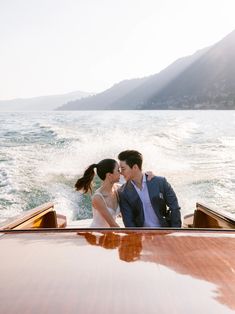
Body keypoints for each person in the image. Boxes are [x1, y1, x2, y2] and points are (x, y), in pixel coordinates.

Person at [118, 150, 181, 227]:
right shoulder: (123, 192)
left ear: (135, 167)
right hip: (142, 235)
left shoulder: (160, 182)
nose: (121, 172)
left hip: (164, 231)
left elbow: (174, 207)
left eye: (123, 169)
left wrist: (175, 232)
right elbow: (129, 222)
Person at [75, 159, 121, 227]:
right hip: (97, 234)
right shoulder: (98, 198)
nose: (120, 173)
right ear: (109, 175)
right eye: (118, 170)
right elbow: (113, 225)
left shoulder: (118, 189)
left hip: (110, 233)